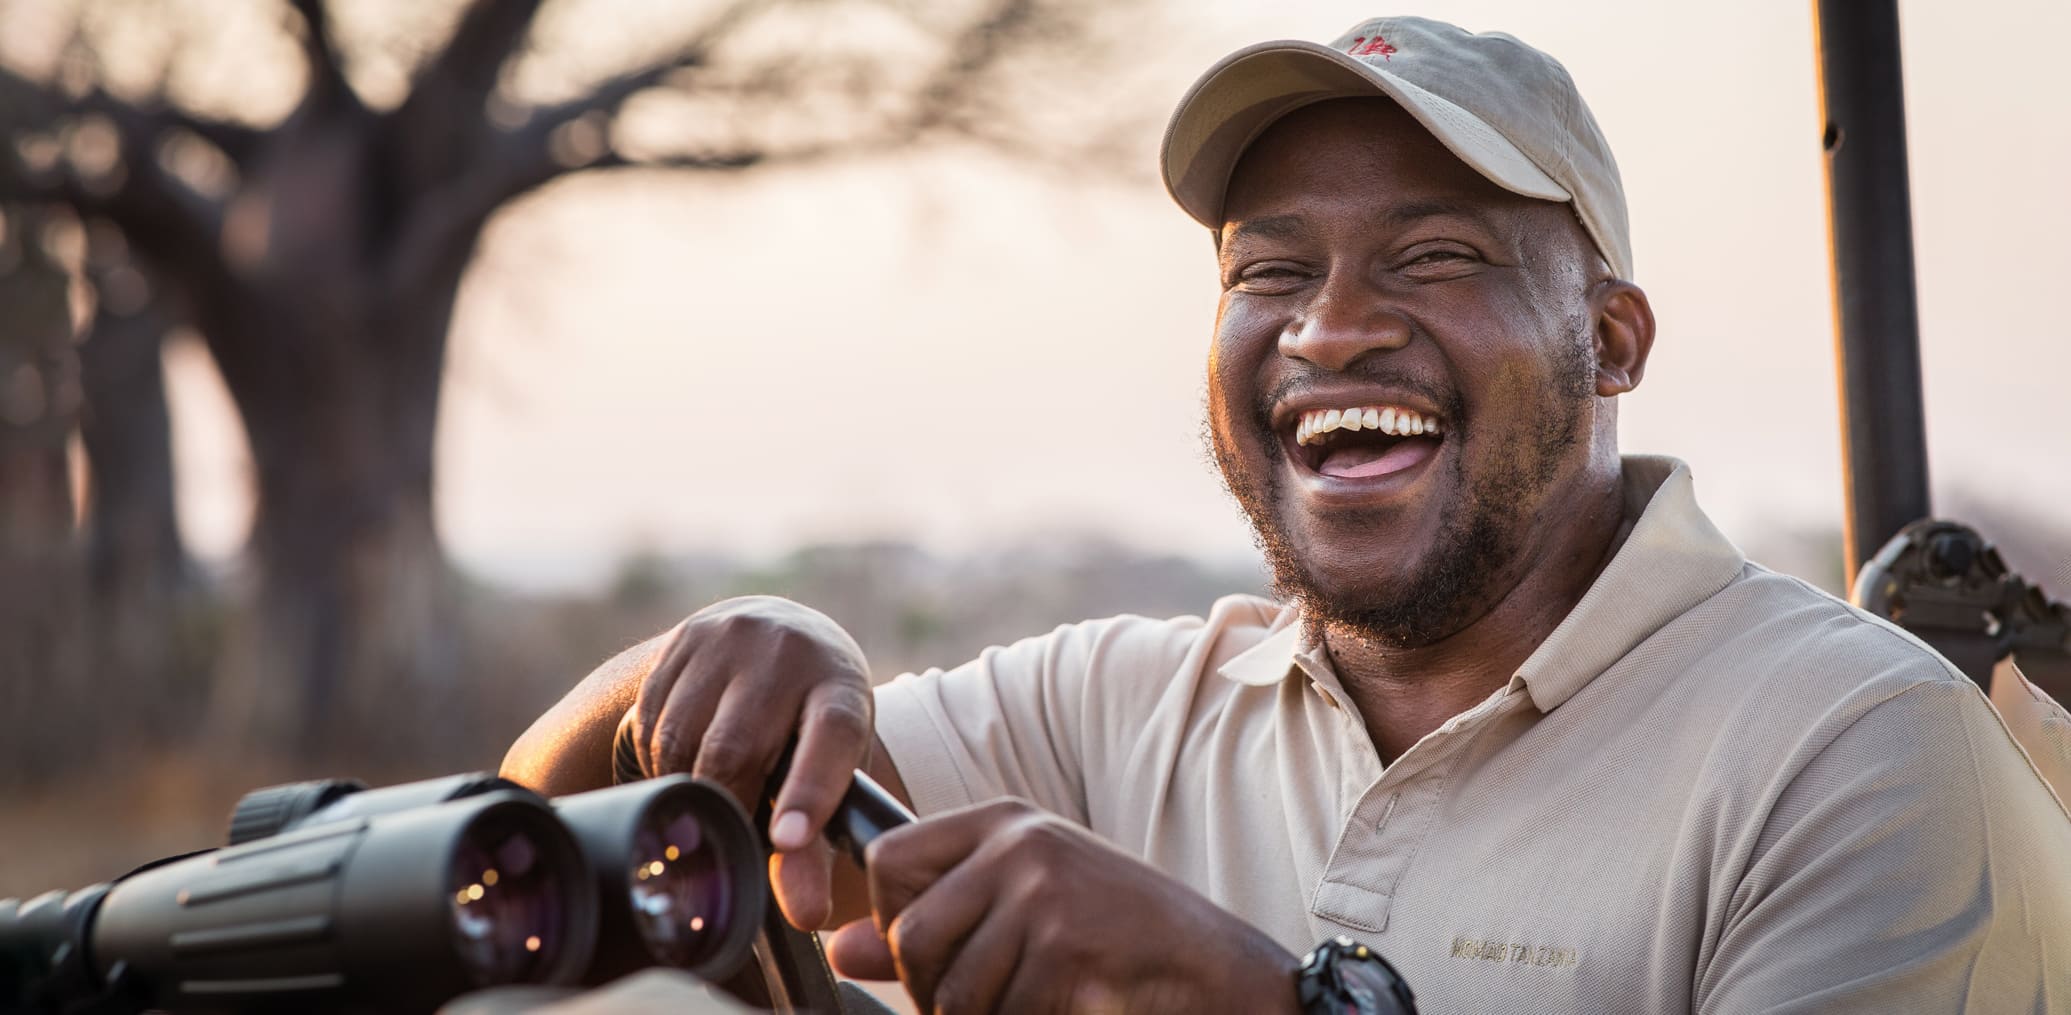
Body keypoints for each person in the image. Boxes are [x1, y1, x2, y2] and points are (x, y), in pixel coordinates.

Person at [502, 16, 2071, 1013]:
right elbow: (521, 863)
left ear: (1612, 342)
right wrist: (739, 657)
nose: (1329, 329)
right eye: (1269, 269)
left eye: (1436, 256)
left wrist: (1259, 1005)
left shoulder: (1855, 753)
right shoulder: (1120, 711)